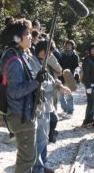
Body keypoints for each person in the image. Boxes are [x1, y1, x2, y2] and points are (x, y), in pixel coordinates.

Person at [0, 18, 42, 173]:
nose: (31, 37)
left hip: (24, 113)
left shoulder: (19, 54)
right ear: (17, 38)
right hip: (20, 115)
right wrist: (36, 83)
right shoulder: (15, 60)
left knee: (28, 156)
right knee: (27, 158)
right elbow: (15, 91)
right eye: (27, 34)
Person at [31, 40, 71, 173]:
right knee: (40, 139)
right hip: (40, 105)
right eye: (50, 52)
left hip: (47, 105)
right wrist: (55, 85)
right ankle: (38, 168)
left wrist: (58, 84)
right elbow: (41, 84)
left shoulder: (43, 63)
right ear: (42, 51)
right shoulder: (34, 63)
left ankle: (43, 163)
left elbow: (50, 81)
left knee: (45, 137)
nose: (50, 55)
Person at [58, 39, 79, 117]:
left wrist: (73, 75)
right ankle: (65, 110)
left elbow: (76, 67)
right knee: (60, 96)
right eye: (66, 45)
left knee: (69, 95)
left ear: (72, 46)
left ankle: (70, 111)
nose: (67, 47)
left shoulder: (75, 56)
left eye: (69, 45)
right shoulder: (62, 55)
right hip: (61, 77)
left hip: (69, 77)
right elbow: (59, 65)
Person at [81, 42, 94, 128]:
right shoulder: (87, 59)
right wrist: (88, 86)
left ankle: (91, 120)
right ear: (90, 50)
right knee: (91, 103)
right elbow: (86, 74)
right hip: (90, 84)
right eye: (93, 49)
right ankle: (86, 121)